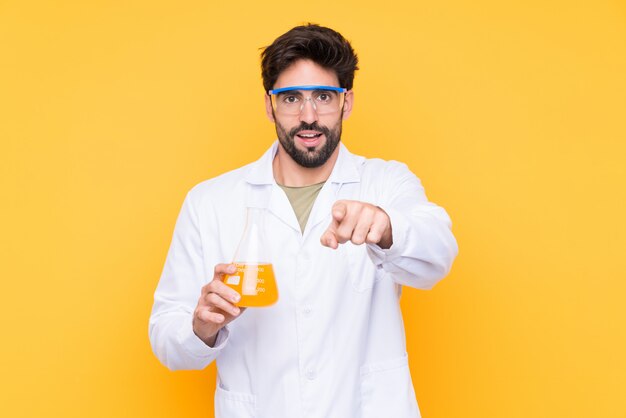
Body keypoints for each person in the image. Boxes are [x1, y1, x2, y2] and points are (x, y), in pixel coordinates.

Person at [149, 24, 458, 418]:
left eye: (324, 97)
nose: (308, 116)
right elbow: (166, 339)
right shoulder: (210, 202)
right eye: (291, 97)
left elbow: (438, 254)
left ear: (346, 102)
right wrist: (200, 327)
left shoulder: (385, 183)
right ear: (269, 104)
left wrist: (385, 227)